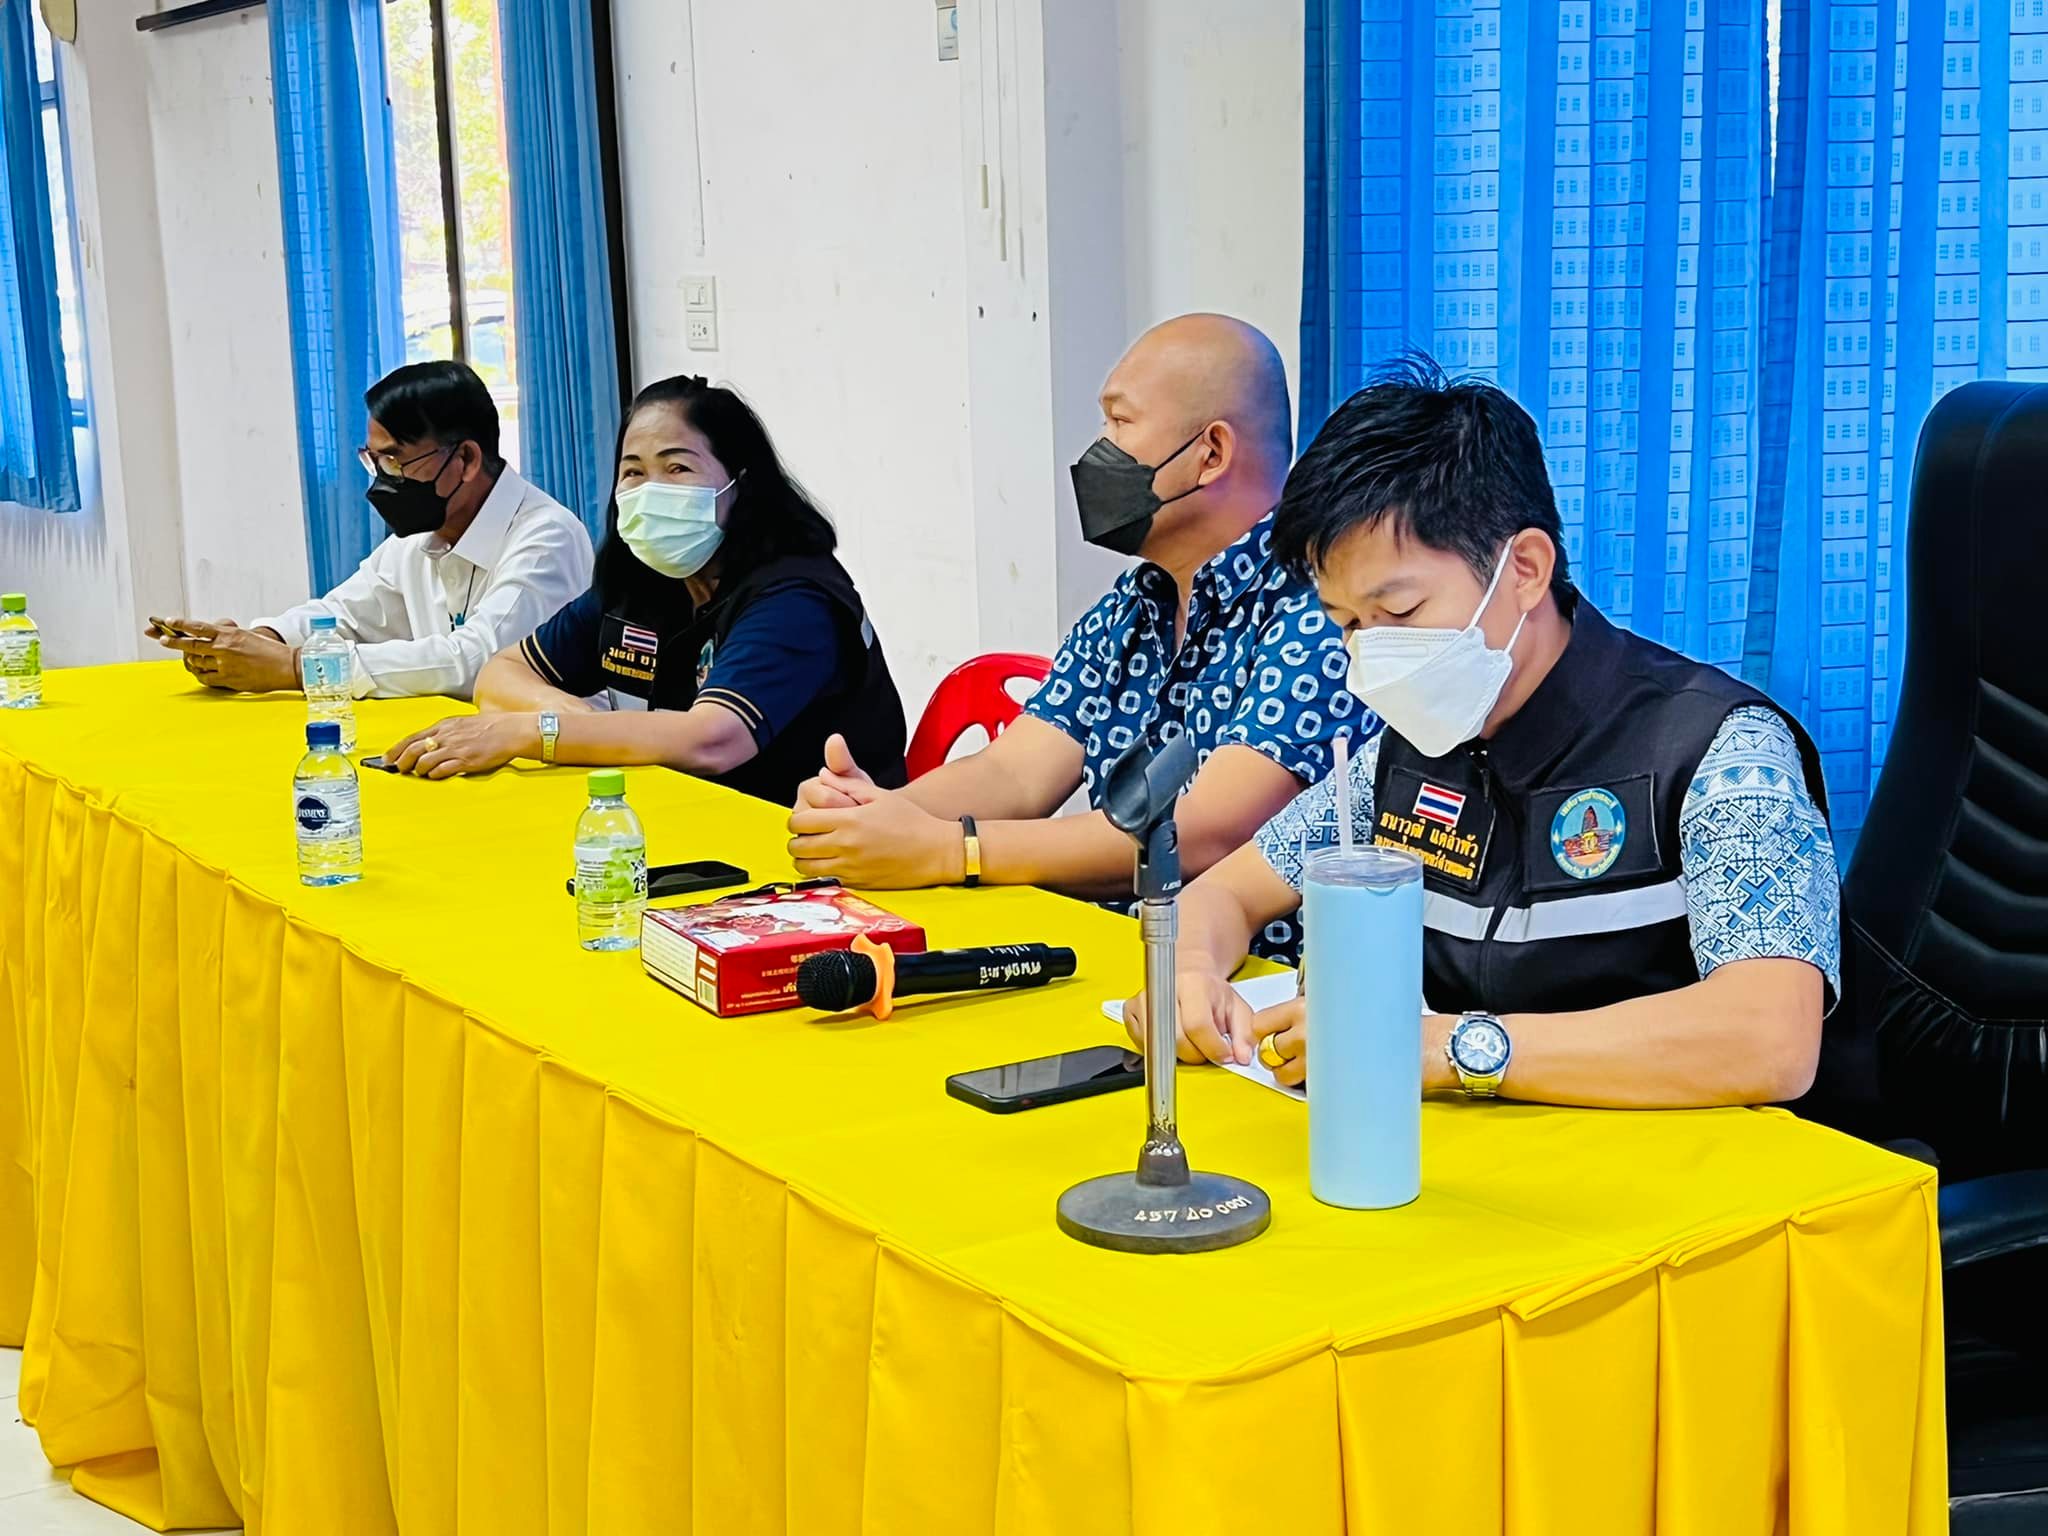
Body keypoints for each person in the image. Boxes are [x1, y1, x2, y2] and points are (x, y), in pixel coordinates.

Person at [1125, 356, 1840, 1108]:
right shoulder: (1408, 749)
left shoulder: (1720, 749)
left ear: (1525, 569)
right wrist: (1188, 972)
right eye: (1349, 623)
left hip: (1693, 1162)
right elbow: (1227, 894)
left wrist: (1453, 1048)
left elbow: (1769, 1038)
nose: (1372, 653)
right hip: (1470, 1154)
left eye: (1400, 612)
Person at [785, 314, 1361, 958]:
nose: (1098, 450)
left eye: (1120, 422)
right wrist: (871, 819)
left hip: (1246, 982)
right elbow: (1015, 772)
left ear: (1211, 453)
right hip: (1110, 951)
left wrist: (951, 850)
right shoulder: (1134, 603)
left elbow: (1203, 833)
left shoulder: (1326, 607)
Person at [382, 375, 907, 803]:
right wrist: (570, 721)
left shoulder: (794, 596)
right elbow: (502, 673)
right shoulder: (643, 581)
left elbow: (714, 739)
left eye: (677, 467)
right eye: (633, 472)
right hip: (678, 813)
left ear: (740, 483)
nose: (650, 490)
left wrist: (532, 733)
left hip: (808, 838)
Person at [149, 361, 592, 699]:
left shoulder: (546, 538)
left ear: (466, 460)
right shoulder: (423, 537)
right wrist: (255, 643)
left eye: (396, 461)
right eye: (375, 461)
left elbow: (478, 662)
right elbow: (341, 615)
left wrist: (297, 668)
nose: (383, 479)